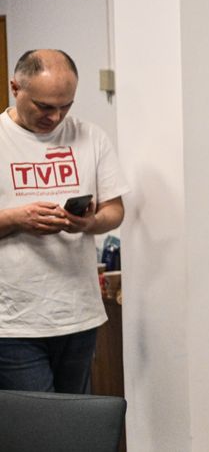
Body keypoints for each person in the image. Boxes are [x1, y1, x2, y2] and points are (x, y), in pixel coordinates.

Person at [0, 49, 129, 393]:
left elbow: (115, 211)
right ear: (16, 88)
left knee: (76, 426)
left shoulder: (91, 137)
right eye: (44, 106)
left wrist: (88, 223)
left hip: (79, 314)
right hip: (14, 323)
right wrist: (16, 218)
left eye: (66, 105)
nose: (56, 117)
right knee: (37, 433)